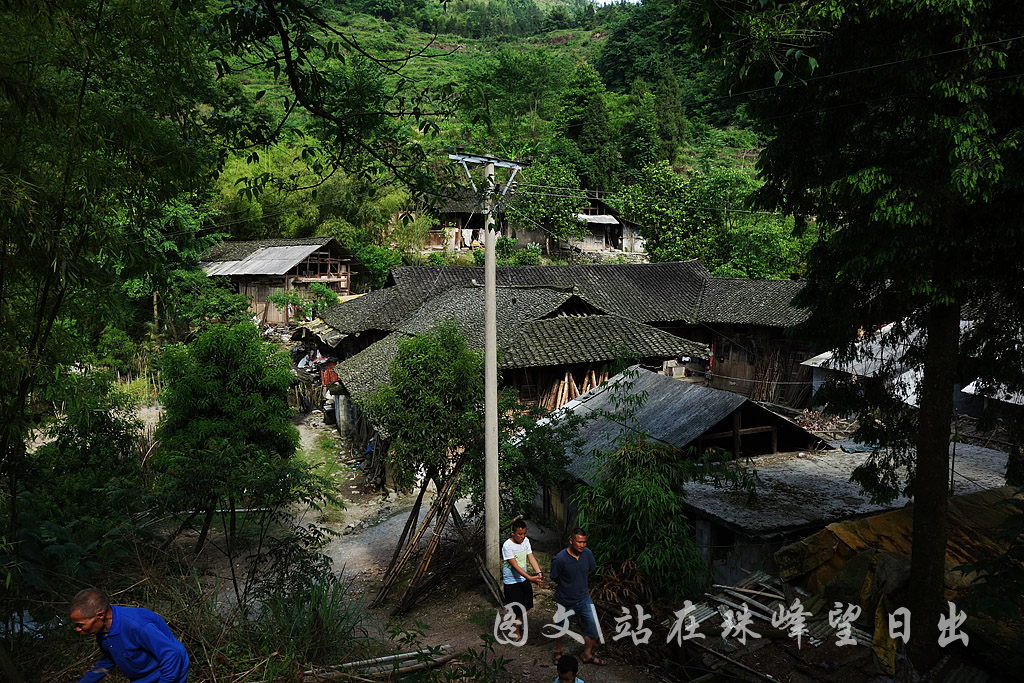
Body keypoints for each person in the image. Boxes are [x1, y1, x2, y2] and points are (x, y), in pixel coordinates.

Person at [71, 588, 189, 683]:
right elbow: (109, 661)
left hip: (168, 675)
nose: (77, 629)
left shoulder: (137, 624)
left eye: (80, 625)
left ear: (100, 615)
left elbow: (172, 654)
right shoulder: (102, 631)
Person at [549, 528, 604, 666]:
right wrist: (568, 585)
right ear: (571, 541)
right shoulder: (560, 559)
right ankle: (558, 650)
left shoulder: (587, 554)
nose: (582, 545)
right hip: (565, 600)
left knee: (592, 626)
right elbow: (554, 577)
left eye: (584, 542)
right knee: (561, 626)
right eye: (579, 542)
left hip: (584, 598)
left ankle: (587, 654)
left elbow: (589, 570)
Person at [501, 519, 543, 640]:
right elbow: (515, 566)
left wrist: (538, 572)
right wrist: (530, 578)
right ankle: (515, 633)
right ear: (513, 533)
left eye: (524, 533)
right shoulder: (507, 546)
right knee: (517, 609)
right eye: (520, 534)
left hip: (523, 579)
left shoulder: (526, 541)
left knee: (527, 604)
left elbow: (531, 557)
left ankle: (517, 623)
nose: (522, 536)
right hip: (512, 582)